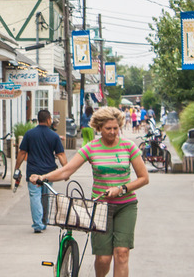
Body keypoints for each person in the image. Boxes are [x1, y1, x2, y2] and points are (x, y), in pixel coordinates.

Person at [30, 106, 149, 277]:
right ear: (99, 128)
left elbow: (144, 178)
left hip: (126, 206)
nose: (113, 132)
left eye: (116, 128)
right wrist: (43, 177)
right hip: (100, 208)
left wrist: (121, 188)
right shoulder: (92, 147)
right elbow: (67, 170)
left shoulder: (128, 146)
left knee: (122, 254)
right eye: (108, 128)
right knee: (103, 259)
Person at [14, 109, 67, 233]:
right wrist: (66, 172)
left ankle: (38, 224)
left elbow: (22, 153)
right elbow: (61, 155)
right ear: (48, 120)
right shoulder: (54, 136)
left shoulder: (29, 134)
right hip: (49, 173)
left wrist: (17, 167)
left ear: (38, 120)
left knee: (35, 196)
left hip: (33, 172)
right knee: (45, 197)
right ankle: (43, 221)